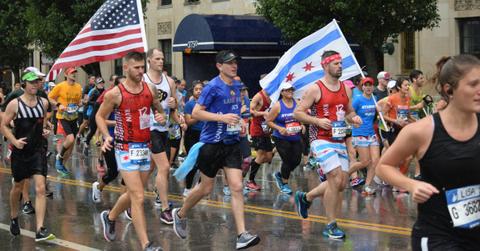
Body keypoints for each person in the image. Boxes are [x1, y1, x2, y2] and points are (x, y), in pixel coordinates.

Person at [377, 54, 480, 250]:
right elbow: (383, 166)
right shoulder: (421, 131)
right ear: (449, 90)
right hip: (438, 237)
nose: (479, 91)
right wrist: (411, 184)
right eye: (473, 85)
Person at [172, 50, 260, 250]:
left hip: (231, 144)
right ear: (219, 66)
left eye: (235, 62)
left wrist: (241, 123)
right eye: (229, 63)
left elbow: (235, 112)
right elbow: (196, 112)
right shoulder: (212, 87)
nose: (234, 65)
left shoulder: (237, 86)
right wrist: (222, 118)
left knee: (237, 187)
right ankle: (180, 214)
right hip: (212, 144)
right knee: (206, 188)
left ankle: (241, 235)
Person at [96, 51, 165, 251]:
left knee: (136, 193)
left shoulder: (150, 89)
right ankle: (146, 244)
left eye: (143, 67)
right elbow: (100, 117)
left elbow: (159, 110)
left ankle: (109, 217)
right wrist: (106, 136)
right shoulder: (115, 94)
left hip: (144, 147)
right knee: (138, 197)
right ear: (125, 68)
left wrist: (161, 117)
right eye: (136, 68)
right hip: (124, 147)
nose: (141, 71)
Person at [293, 50, 362, 239]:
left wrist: (354, 118)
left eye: (341, 63)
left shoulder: (345, 88)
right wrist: (317, 121)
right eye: (336, 63)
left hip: (338, 139)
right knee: (334, 176)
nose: (340, 66)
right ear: (325, 65)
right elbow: (298, 113)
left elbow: (348, 111)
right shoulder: (315, 88)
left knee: (341, 183)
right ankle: (331, 225)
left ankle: (305, 198)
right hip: (320, 139)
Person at [2, 71, 55, 241]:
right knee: (17, 187)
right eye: (31, 82)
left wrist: (45, 130)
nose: (34, 85)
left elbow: (42, 123)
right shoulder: (15, 104)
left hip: (38, 151)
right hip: (20, 152)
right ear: (24, 84)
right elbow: (3, 125)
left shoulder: (44, 103)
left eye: (37, 82)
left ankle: (40, 229)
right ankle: (14, 217)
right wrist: (14, 141)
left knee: (40, 188)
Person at [143, 48, 185, 224]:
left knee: (151, 168)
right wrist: (152, 113)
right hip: (147, 129)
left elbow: (173, 109)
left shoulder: (169, 81)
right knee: (165, 167)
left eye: (162, 58)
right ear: (149, 61)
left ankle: (130, 197)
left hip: (164, 130)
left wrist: (179, 118)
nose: (161, 61)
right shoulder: (143, 80)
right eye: (157, 58)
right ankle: (165, 208)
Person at [91, 76, 126, 203]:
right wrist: (117, 123)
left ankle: (125, 204)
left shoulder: (130, 100)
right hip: (111, 139)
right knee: (113, 173)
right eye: (122, 85)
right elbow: (101, 119)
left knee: (128, 172)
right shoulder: (111, 100)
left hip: (126, 141)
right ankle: (99, 187)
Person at [266, 83, 302, 195]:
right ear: (282, 92)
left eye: (292, 90)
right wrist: (279, 128)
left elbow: (302, 117)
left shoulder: (298, 103)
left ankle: (280, 175)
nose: (291, 92)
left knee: (296, 160)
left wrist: (303, 125)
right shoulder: (278, 105)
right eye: (288, 90)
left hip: (295, 136)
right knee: (287, 160)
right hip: (281, 137)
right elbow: (269, 121)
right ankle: (284, 184)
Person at [48, 67, 83, 175]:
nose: (74, 75)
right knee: (70, 138)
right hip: (63, 116)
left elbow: (78, 101)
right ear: (66, 75)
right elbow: (50, 97)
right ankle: (59, 157)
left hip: (74, 117)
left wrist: (80, 103)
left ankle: (62, 165)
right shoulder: (60, 86)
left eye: (75, 73)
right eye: (72, 73)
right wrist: (59, 105)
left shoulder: (78, 87)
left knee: (71, 146)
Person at [350, 77, 380, 195]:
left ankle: (367, 186)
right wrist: (353, 121)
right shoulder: (358, 100)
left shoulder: (375, 99)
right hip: (360, 133)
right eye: (365, 85)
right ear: (362, 87)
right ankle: (346, 173)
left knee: (375, 161)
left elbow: (382, 110)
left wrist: (380, 110)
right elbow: (350, 114)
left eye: (370, 85)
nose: (368, 87)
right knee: (365, 162)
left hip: (371, 133)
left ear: (373, 87)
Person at [382, 77, 416, 179]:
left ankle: (399, 180)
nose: (408, 87)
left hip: (404, 131)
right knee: (399, 159)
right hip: (393, 131)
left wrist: (420, 122)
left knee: (409, 157)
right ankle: (391, 179)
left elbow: (409, 117)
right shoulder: (392, 98)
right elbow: (383, 115)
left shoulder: (408, 99)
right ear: (398, 87)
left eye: (408, 85)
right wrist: (395, 121)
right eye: (405, 85)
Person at [246, 77, 273, 191]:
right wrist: (263, 113)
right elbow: (250, 111)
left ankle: (247, 167)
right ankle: (250, 181)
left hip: (266, 129)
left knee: (268, 157)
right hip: (257, 129)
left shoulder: (272, 96)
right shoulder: (259, 96)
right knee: (261, 155)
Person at [183, 81, 205, 196]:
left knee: (205, 163)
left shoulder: (207, 104)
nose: (199, 91)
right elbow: (189, 121)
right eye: (196, 89)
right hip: (192, 135)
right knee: (193, 163)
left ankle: (199, 187)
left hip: (205, 135)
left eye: (201, 89)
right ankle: (187, 187)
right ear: (193, 91)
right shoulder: (189, 104)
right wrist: (200, 114)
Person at [83, 77, 106, 156]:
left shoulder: (105, 91)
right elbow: (87, 102)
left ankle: (101, 150)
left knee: (103, 131)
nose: (101, 84)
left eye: (102, 83)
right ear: (96, 84)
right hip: (93, 113)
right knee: (92, 130)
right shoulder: (93, 91)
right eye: (100, 83)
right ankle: (86, 142)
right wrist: (97, 103)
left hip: (102, 114)